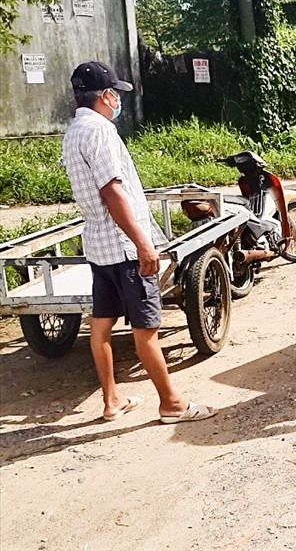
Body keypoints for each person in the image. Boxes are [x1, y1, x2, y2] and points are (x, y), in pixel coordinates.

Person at [62, 61, 216, 423]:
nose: (117, 101)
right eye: (115, 94)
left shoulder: (73, 131)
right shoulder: (101, 131)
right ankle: (172, 404)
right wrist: (143, 244)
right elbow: (112, 191)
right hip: (125, 247)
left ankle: (112, 399)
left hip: (98, 247)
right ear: (106, 96)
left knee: (100, 326)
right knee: (146, 330)